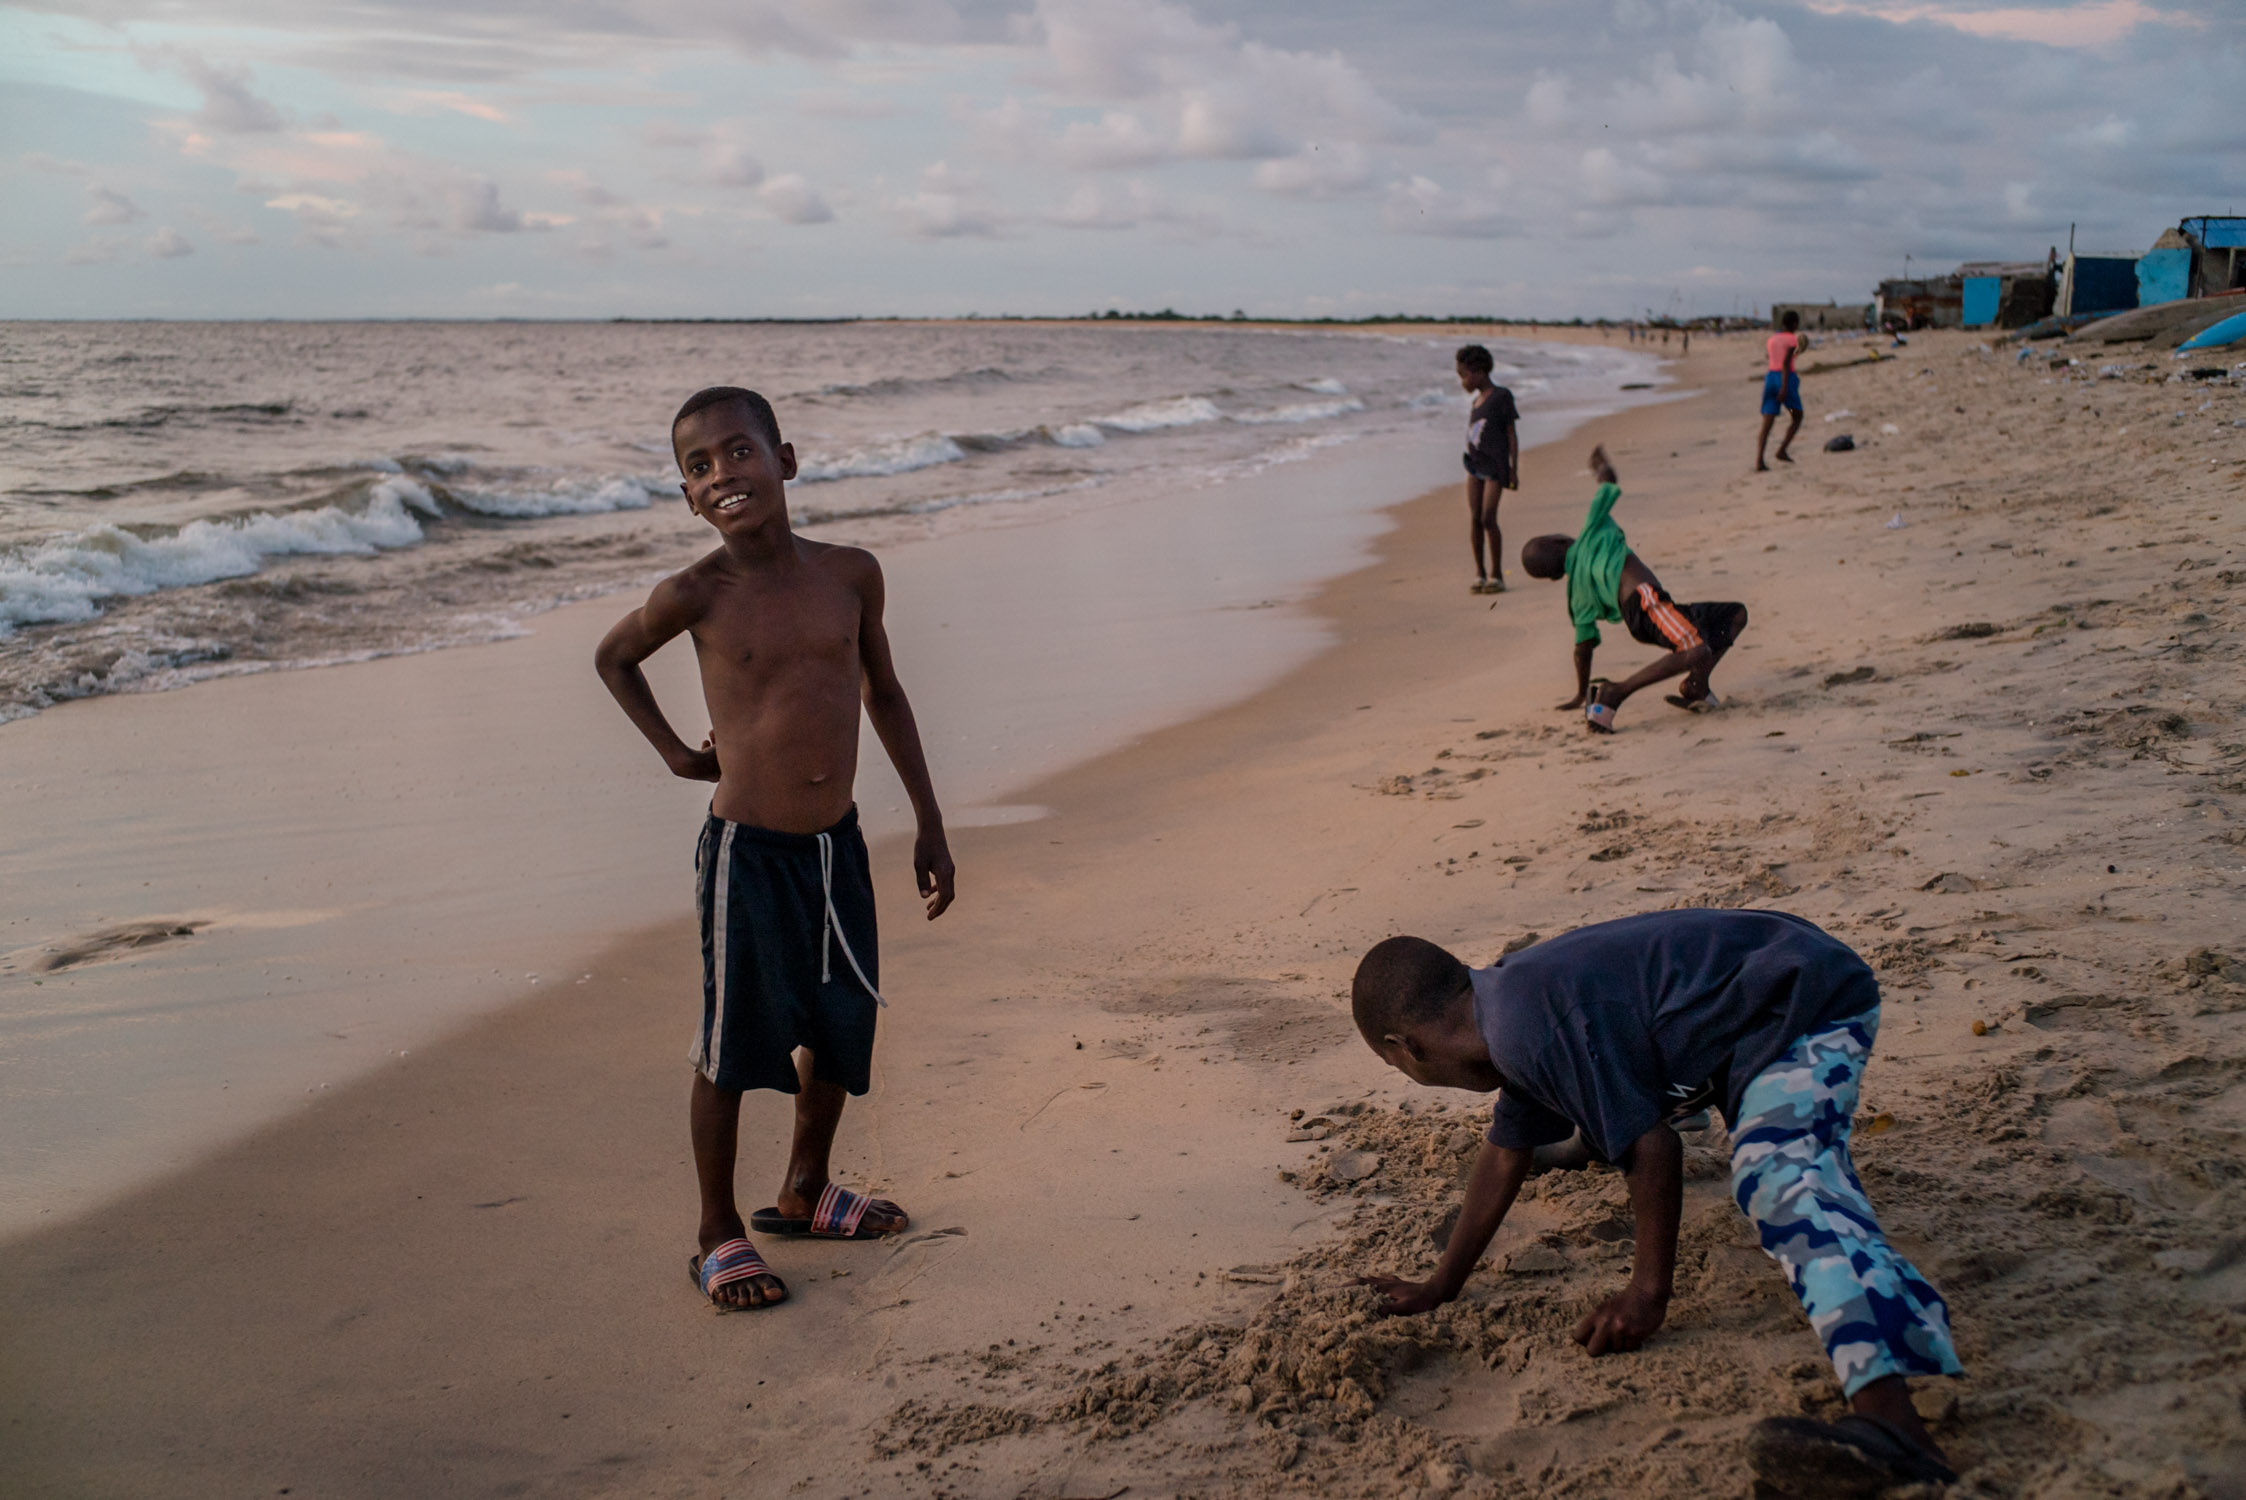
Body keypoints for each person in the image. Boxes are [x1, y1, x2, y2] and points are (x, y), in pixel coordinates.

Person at [1348, 911, 1965, 1496]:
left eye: (1394, 1065)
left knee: (1778, 1179)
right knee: (1608, 1082)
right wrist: (1440, 1285)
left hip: (1804, 1002)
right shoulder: (1504, 1009)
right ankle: (1594, 1130)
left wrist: (1646, 1295)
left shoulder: (1529, 1031)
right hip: (1735, 1014)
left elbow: (1653, 1152)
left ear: (1404, 1047)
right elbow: (1505, 1152)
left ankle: (1893, 1424)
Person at [595, 385, 957, 1312]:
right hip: (747, 856)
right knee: (734, 1045)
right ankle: (717, 1231)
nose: (724, 475)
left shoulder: (851, 573)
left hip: (837, 848)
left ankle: (805, 1188)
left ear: (785, 460)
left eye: (739, 452)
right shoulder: (695, 595)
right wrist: (678, 753)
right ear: (687, 497)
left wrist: (929, 819)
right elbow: (613, 658)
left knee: (839, 1025)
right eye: (699, 467)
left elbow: (886, 692)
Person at [1520, 444, 1747, 732]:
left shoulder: (1576, 595)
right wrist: (1599, 465)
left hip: (1648, 615)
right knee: (1696, 649)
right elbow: (1608, 481)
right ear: (1559, 540)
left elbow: (1583, 646)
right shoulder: (1590, 532)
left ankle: (1696, 684)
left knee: (1734, 615)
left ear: (1554, 577)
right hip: (1647, 602)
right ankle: (1616, 693)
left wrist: (1580, 692)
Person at [1455, 344, 1520, 594]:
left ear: (1480, 372)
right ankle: (1479, 573)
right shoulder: (1476, 402)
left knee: (1488, 517)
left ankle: (1496, 575)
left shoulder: (1501, 396)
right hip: (1474, 465)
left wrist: (1513, 468)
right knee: (1474, 518)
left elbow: (1511, 434)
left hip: (1496, 466)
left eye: (1465, 375)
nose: (1463, 381)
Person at [1757, 310, 1808, 470]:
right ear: (1794, 323)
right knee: (1797, 416)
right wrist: (1784, 388)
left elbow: (1771, 357)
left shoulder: (1772, 339)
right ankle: (1782, 450)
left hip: (1770, 378)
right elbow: (1786, 363)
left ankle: (1759, 460)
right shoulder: (1793, 340)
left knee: (1767, 421)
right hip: (1785, 379)